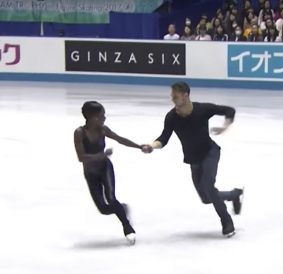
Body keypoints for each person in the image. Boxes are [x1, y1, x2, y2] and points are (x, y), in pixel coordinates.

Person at [145, 82, 244, 237]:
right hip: (193, 160)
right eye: (172, 96)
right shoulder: (171, 117)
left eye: (175, 96)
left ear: (185, 95)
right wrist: (152, 146)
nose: (172, 99)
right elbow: (163, 139)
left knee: (208, 186)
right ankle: (234, 195)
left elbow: (229, 110)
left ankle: (227, 222)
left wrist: (225, 126)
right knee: (206, 198)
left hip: (210, 153)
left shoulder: (202, 109)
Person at [73, 101, 150, 244]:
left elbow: (120, 139)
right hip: (90, 173)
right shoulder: (79, 133)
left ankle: (127, 227)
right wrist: (102, 155)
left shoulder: (103, 129)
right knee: (103, 208)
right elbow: (81, 157)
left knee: (111, 198)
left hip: (105, 168)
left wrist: (139, 146)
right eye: (102, 115)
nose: (104, 118)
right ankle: (122, 209)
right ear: (93, 117)